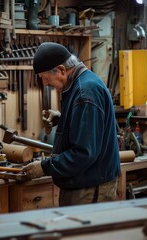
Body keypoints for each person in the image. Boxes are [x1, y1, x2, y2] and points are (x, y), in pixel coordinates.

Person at [22, 42, 121, 206]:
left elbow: (83, 153)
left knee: (83, 233)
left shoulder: (85, 92)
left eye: (46, 78)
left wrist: (45, 167)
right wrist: (63, 118)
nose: (45, 84)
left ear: (61, 70)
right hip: (84, 185)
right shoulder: (81, 84)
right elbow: (90, 128)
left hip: (89, 190)